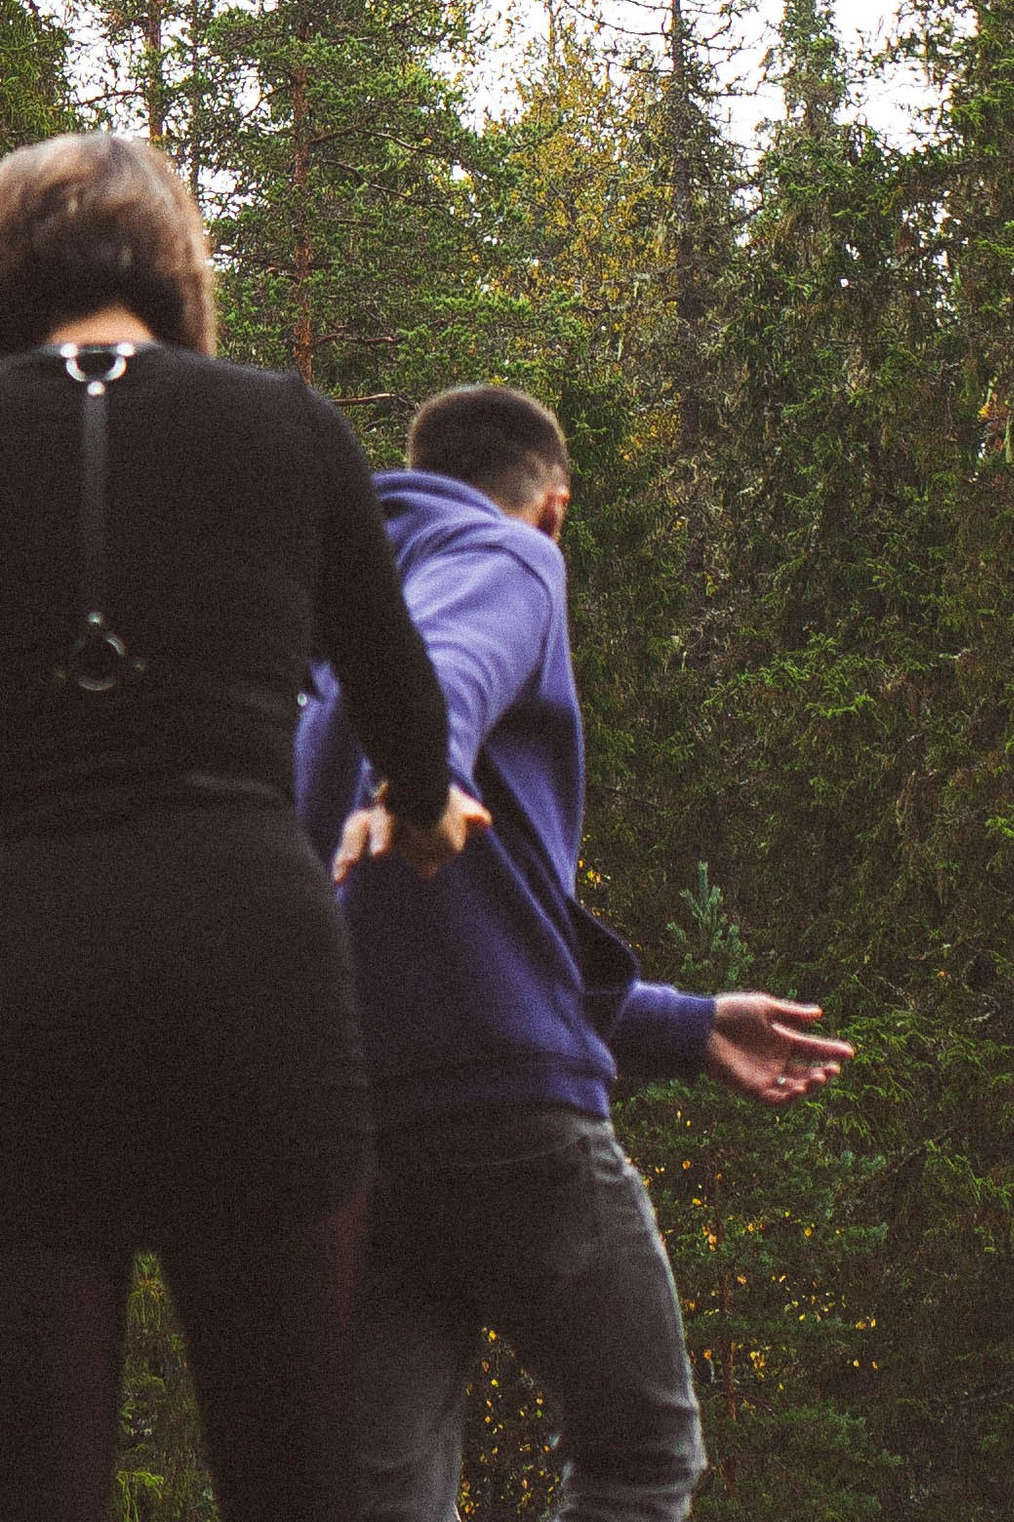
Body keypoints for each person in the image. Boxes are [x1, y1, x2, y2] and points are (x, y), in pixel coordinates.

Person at [0, 135, 485, 1522]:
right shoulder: (290, 424)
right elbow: (411, 723)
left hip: (8, 990)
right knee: (294, 1486)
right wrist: (423, 816)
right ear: (177, 275)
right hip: (253, 982)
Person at [296, 382, 852, 1522]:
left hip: (352, 1130)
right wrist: (424, 778)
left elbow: (474, 934)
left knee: (374, 1491)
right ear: (552, 508)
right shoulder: (506, 556)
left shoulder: (320, 634)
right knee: (641, 1451)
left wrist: (685, 1027)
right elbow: (450, 670)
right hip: (509, 1124)